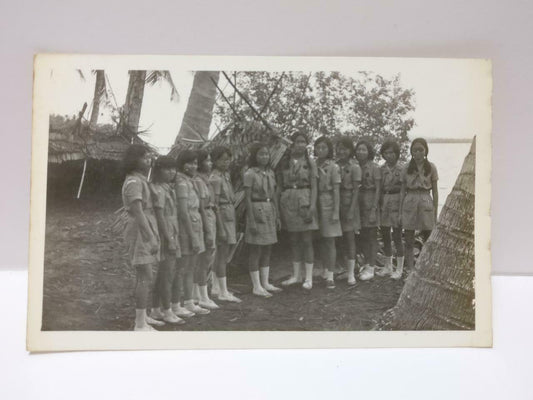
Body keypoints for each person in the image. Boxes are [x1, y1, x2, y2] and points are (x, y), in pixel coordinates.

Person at [121, 144, 163, 331]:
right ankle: (139, 324)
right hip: (140, 230)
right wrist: (150, 237)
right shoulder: (134, 182)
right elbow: (138, 212)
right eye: (144, 157)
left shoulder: (140, 180)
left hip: (145, 227)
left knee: (145, 275)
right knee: (145, 274)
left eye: (149, 157)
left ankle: (143, 316)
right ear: (134, 160)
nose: (149, 160)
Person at [277, 131, 318, 290]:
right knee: (293, 240)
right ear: (291, 144)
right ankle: (296, 275)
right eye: (298, 141)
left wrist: (312, 207)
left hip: (305, 199)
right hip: (288, 200)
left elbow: (314, 186)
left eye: (304, 142)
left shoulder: (309, 162)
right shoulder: (284, 162)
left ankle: (308, 277)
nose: (301, 145)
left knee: (307, 240)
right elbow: (280, 185)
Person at [149, 156, 185, 324]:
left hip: (172, 231)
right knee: (167, 274)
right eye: (167, 168)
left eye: (174, 168)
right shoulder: (158, 189)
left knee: (165, 274)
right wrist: (169, 239)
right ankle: (167, 310)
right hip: (166, 234)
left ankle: (156, 309)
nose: (172, 172)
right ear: (159, 170)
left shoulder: (166, 188)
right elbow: (161, 216)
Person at [173, 150, 210, 316]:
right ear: (181, 164)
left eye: (195, 163)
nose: (193, 166)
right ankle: (175, 304)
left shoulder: (190, 181)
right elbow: (183, 211)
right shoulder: (181, 183)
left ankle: (188, 301)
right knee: (182, 268)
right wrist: (192, 236)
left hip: (195, 223)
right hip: (187, 227)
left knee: (190, 267)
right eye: (189, 163)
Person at [243, 142, 281, 297]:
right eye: (261, 154)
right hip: (256, 209)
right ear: (255, 156)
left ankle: (265, 282)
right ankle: (256, 285)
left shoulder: (271, 173)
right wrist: (251, 219)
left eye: (266, 154)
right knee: (256, 249)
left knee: (268, 247)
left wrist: (277, 214)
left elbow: (273, 196)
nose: (264, 157)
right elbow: (247, 198)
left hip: (269, 209)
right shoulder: (250, 173)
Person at [400, 138, 439, 274]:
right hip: (410, 200)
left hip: (425, 200)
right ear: (411, 152)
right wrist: (400, 211)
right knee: (409, 237)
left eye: (421, 150)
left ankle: (428, 267)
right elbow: (402, 191)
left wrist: (435, 211)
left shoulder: (431, 167)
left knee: (428, 236)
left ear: (426, 151)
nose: (418, 153)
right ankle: (409, 269)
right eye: (415, 150)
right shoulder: (406, 168)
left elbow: (435, 191)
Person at [210, 146, 241, 302]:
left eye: (228, 159)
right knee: (222, 254)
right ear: (215, 161)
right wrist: (220, 226)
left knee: (222, 253)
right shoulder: (215, 178)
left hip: (228, 212)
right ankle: (223, 291)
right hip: (221, 214)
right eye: (222, 159)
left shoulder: (226, 175)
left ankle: (216, 286)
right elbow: (214, 204)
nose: (226, 162)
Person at [313, 136, 342, 289]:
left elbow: (336, 190)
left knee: (330, 240)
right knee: (320, 239)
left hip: (328, 201)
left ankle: (330, 275)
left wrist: (336, 211)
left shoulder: (333, 166)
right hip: (314, 201)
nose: (321, 150)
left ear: (329, 149)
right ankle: (324, 270)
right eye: (318, 147)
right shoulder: (312, 164)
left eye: (324, 147)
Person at [192, 149, 219, 309]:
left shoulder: (206, 180)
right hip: (204, 217)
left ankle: (198, 294)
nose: (210, 163)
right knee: (205, 258)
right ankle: (202, 296)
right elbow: (202, 207)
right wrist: (208, 230)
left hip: (209, 214)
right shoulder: (199, 181)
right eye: (207, 161)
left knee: (206, 258)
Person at [376, 140, 405, 279]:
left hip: (397, 202)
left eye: (392, 153)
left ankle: (399, 268)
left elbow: (404, 188)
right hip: (385, 202)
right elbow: (379, 188)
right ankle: (388, 266)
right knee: (385, 235)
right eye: (386, 153)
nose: (389, 155)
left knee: (397, 236)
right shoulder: (381, 170)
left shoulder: (402, 169)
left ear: (397, 154)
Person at [336, 136, 362, 285]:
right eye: (339, 148)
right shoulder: (334, 165)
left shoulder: (354, 167)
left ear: (350, 150)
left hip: (349, 202)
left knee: (350, 238)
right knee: (338, 238)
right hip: (336, 203)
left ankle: (352, 273)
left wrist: (352, 209)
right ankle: (342, 269)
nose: (342, 151)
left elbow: (356, 191)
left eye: (345, 148)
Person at [355, 139, 381, 281]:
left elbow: (378, 189)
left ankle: (371, 266)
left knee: (371, 235)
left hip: (371, 200)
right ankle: (365, 263)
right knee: (363, 234)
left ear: (369, 151)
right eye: (358, 149)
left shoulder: (374, 167)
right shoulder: (356, 166)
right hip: (359, 201)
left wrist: (374, 209)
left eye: (364, 149)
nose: (361, 152)